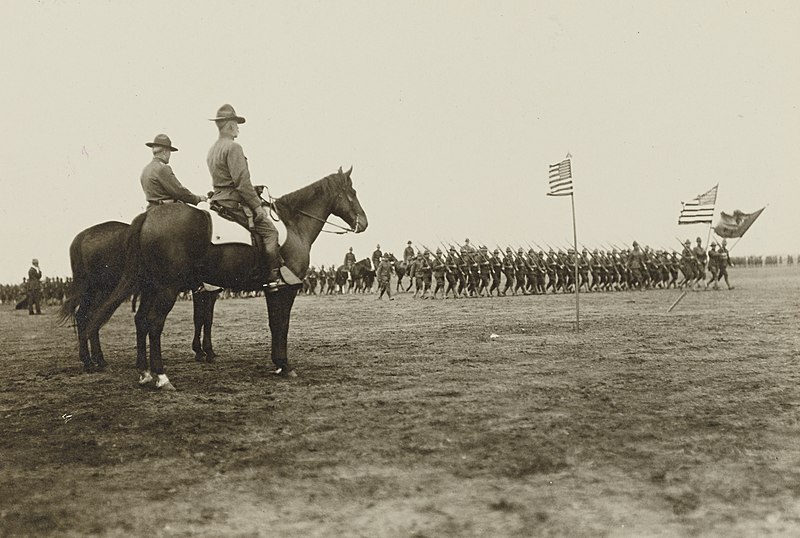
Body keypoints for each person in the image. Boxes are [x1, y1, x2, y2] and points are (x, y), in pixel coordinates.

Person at [207, 104, 299, 292]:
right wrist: (257, 207)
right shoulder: (233, 147)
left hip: (219, 200)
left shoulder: (213, 149)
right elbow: (241, 183)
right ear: (229, 125)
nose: (238, 128)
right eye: (237, 123)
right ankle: (273, 278)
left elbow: (227, 179)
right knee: (271, 232)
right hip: (234, 202)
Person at [140, 134, 206, 209]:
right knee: (203, 215)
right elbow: (179, 191)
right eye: (169, 152)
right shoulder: (163, 168)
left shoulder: (146, 169)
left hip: (151, 208)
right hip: (167, 208)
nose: (169, 155)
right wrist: (197, 198)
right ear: (165, 152)